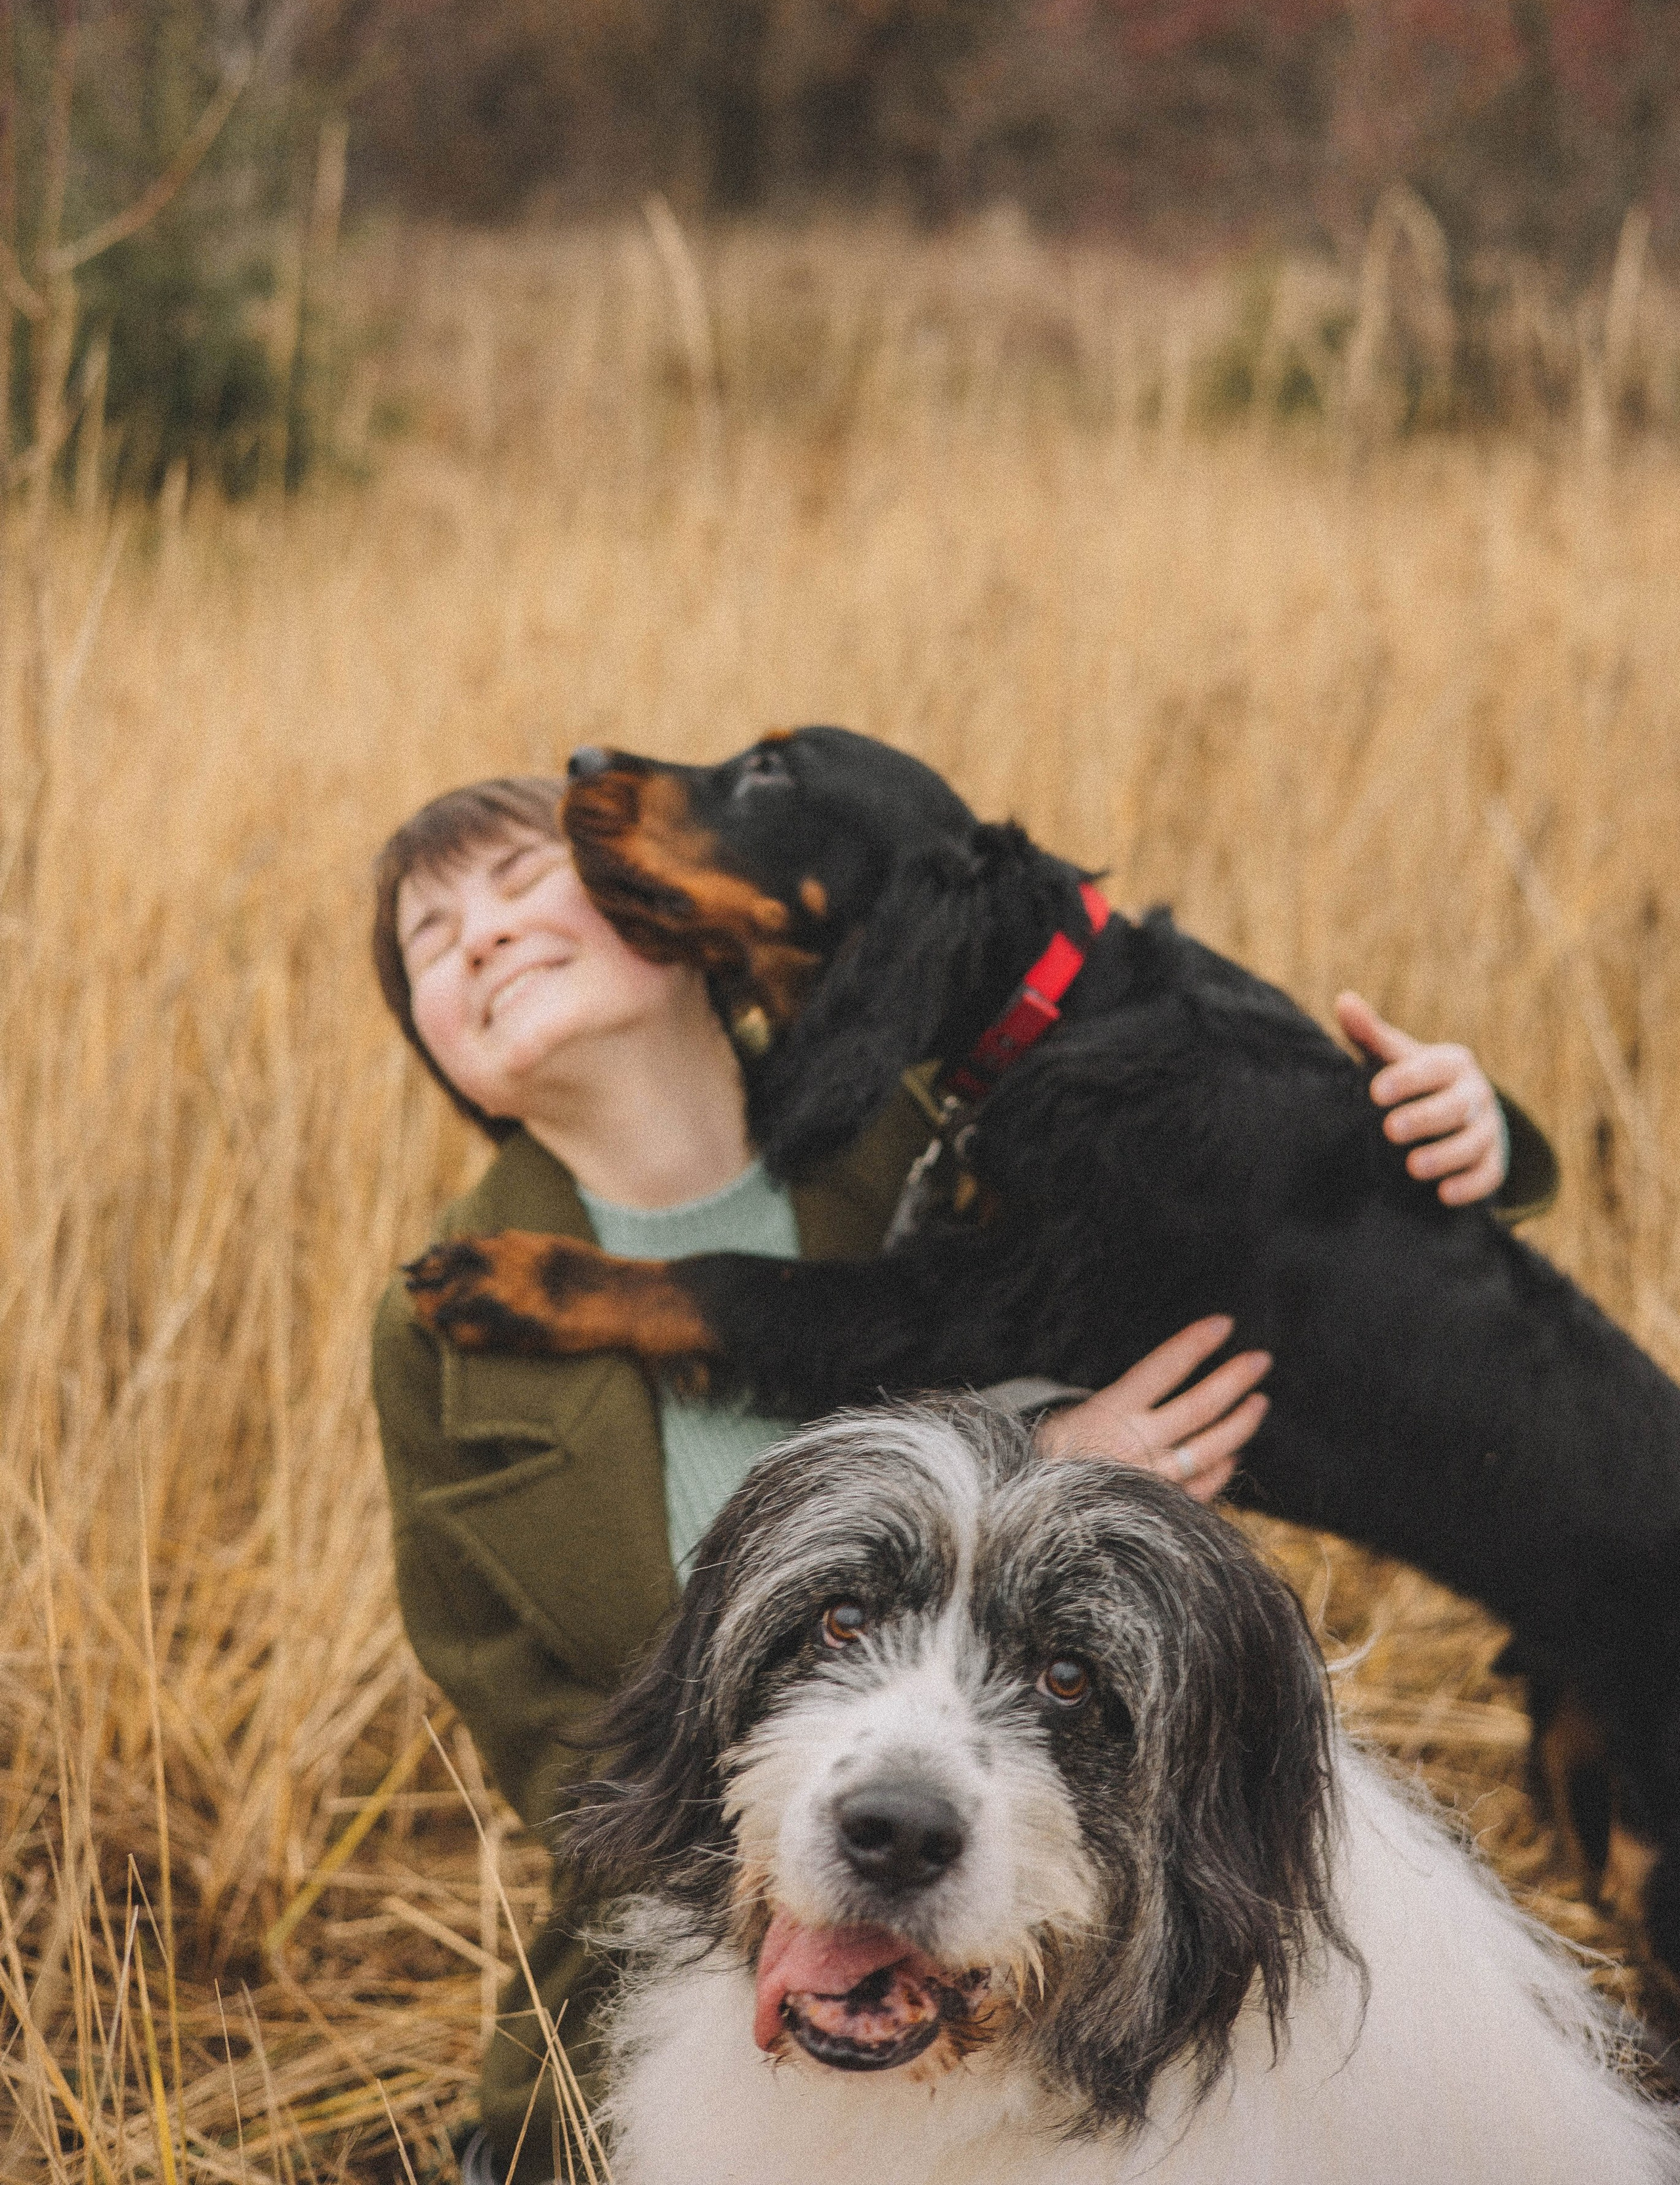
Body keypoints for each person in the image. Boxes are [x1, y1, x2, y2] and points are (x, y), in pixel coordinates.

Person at [368, 776, 1552, 2184]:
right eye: (428, 940)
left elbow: (1266, 1189)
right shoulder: (446, 1322)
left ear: (667, 904)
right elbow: (565, 1757)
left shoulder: (955, 1121)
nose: (482, 935)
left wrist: (1470, 1136)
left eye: (517, 882)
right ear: (441, 1054)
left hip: (1078, 1926)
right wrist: (1035, 1470)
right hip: (684, 1939)